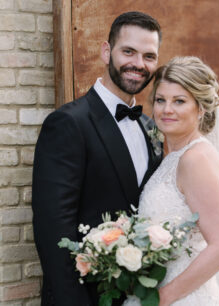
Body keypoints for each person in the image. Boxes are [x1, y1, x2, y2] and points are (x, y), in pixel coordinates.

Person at [32, 11, 162, 306]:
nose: (138, 64)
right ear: (107, 51)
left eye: (149, 56)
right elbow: (53, 229)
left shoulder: (151, 128)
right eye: (128, 51)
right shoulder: (68, 123)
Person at [124, 56, 219, 305]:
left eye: (179, 101)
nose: (166, 109)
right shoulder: (174, 157)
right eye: (161, 100)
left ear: (200, 108)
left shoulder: (195, 159)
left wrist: (163, 297)